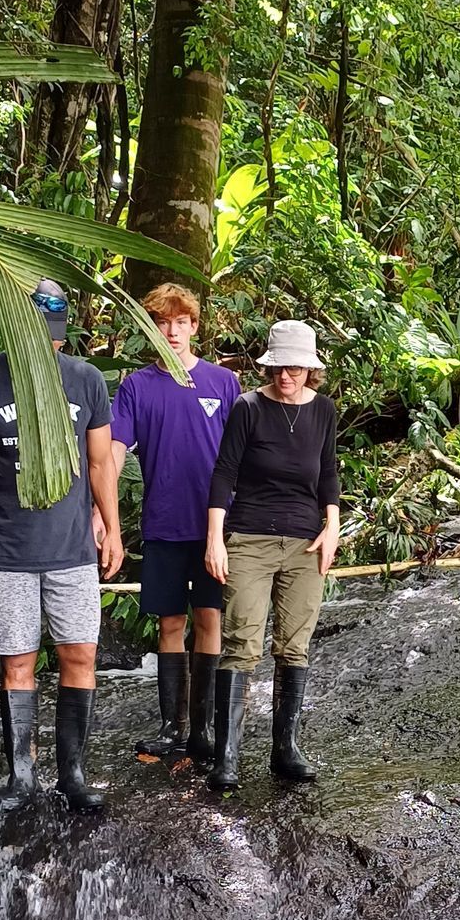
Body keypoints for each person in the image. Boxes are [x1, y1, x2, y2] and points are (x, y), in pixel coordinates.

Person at [0, 279, 123, 811]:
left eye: (57, 335)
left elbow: (101, 464)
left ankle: (73, 773)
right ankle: (22, 776)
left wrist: (111, 525)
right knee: (17, 663)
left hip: (72, 549)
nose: (49, 345)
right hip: (8, 549)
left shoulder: (85, 380)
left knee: (80, 653)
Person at [204, 318, 340, 789]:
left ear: (311, 369)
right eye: (279, 367)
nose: (287, 376)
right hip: (249, 540)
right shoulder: (248, 407)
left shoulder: (323, 411)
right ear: (269, 366)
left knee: (294, 645)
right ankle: (227, 757)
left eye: (297, 369)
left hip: (305, 543)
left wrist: (332, 527)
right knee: (242, 644)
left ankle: (286, 749)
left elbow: (328, 474)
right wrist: (215, 539)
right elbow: (224, 474)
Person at [108, 284, 241, 765]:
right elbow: (115, 449)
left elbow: (240, 455)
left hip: (214, 529)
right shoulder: (137, 387)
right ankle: (172, 726)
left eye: (181, 322)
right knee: (170, 621)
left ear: (194, 326)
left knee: (210, 618)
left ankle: (203, 728)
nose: (172, 331)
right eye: (162, 322)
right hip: (163, 523)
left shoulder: (224, 384)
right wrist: (102, 514)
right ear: (151, 330)